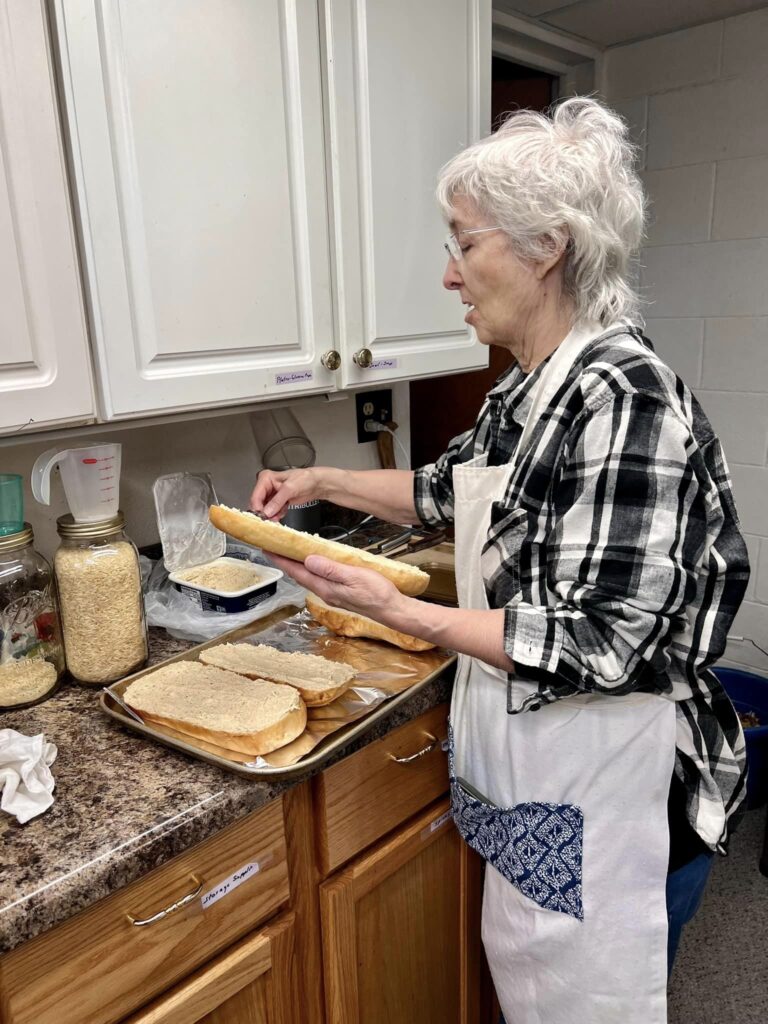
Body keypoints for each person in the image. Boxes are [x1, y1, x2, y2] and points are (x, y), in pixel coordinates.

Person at [250, 98, 749, 1023]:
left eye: (464, 243)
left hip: (615, 786)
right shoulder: (529, 391)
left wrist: (398, 609)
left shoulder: (623, 397)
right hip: (544, 789)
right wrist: (321, 478)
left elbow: (602, 641)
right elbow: (440, 490)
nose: (449, 273)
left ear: (546, 246)